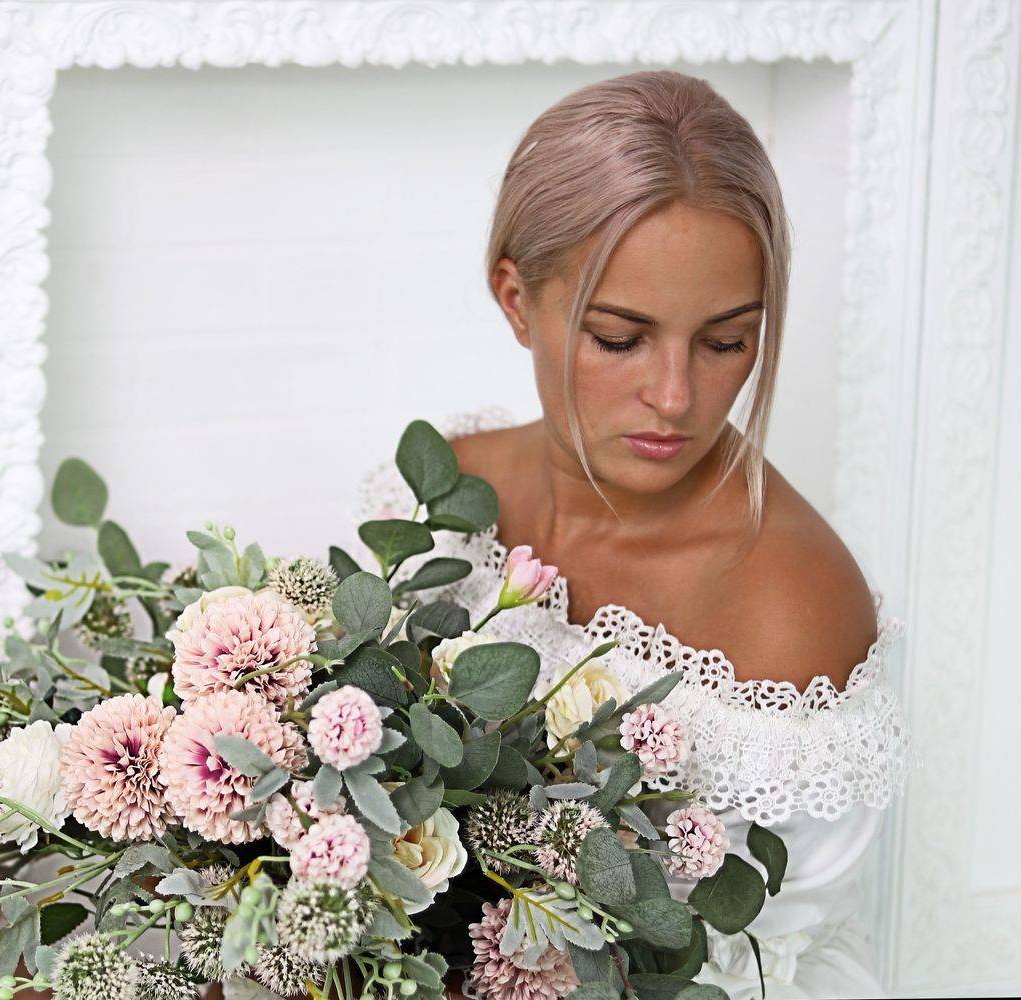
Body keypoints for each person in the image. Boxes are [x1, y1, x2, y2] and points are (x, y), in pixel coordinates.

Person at [353, 70, 913, 998]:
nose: (675, 397)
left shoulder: (794, 606)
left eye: (726, 341)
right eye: (620, 338)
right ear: (516, 299)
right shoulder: (441, 492)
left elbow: (765, 957)